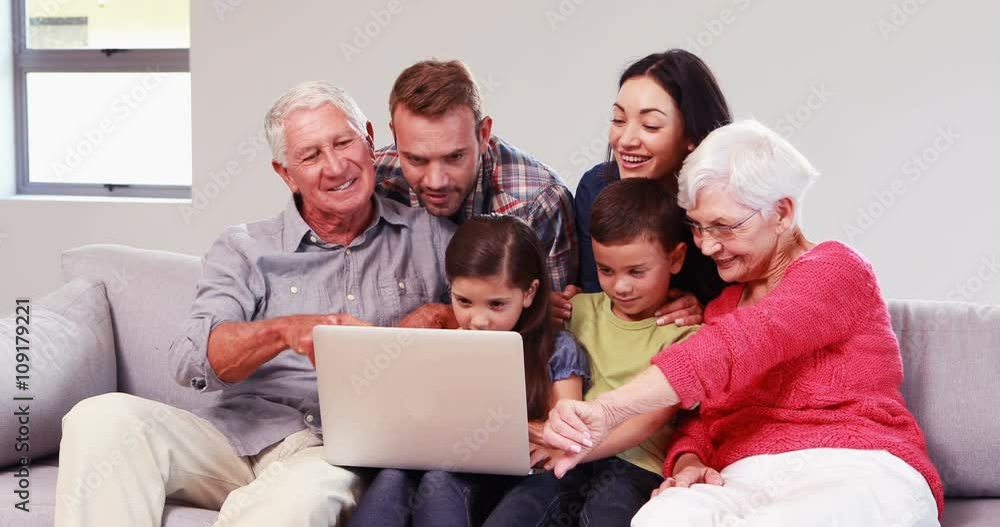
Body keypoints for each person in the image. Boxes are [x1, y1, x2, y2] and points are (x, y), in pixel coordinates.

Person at [54, 81, 457, 527]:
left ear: (368, 138)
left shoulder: (430, 239)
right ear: (285, 173)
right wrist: (283, 331)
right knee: (100, 416)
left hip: (332, 451)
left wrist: (444, 315)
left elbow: (500, 322)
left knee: (298, 503)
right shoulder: (244, 248)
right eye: (310, 155)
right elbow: (193, 361)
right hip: (229, 437)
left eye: (343, 142)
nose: (335, 165)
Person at [542, 120, 944, 526]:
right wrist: (688, 460)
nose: (707, 244)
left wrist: (609, 409)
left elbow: (742, 344)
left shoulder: (835, 269)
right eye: (698, 226)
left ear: (782, 213)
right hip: (742, 475)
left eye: (724, 226)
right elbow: (702, 419)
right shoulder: (721, 306)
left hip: (853, 464)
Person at [347, 215, 590, 527]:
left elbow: (564, 435)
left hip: (516, 478)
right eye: (463, 301)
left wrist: (520, 430)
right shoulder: (442, 343)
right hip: (449, 464)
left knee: (438, 481)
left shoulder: (557, 348)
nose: (478, 320)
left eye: (497, 305)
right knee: (395, 477)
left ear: (529, 293)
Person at [485, 178, 699, 526]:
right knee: (519, 510)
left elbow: (649, 421)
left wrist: (571, 451)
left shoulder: (686, 335)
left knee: (604, 514)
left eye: (636, 271)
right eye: (606, 271)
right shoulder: (577, 310)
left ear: (675, 259)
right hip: (566, 454)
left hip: (634, 465)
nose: (621, 286)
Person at [552, 49, 733, 329]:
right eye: (619, 120)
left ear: (691, 136)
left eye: (650, 125)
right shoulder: (596, 187)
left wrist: (706, 310)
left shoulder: (725, 203)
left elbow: (749, 298)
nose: (625, 140)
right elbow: (595, 294)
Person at [375, 59, 579, 293]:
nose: (436, 181)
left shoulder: (540, 201)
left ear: (483, 135)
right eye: (416, 159)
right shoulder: (374, 180)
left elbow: (553, 318)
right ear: (395, 135)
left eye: (454, 157)